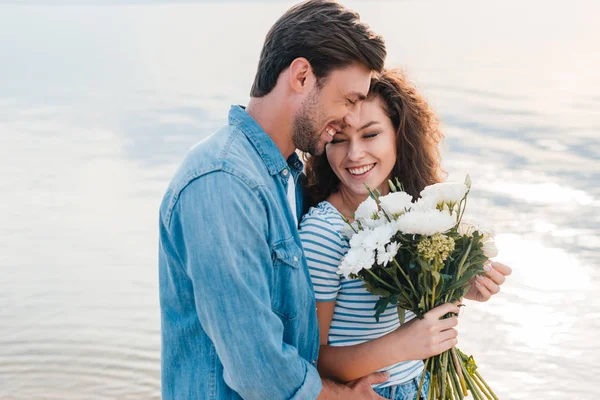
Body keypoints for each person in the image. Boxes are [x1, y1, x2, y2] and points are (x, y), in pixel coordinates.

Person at [158, 1, 390, 399]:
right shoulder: (223, 183)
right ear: (301, 76)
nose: (351, 120)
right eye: (349, 100)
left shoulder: (283, 177)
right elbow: (257, 367)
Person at [299, 69, 513, 400]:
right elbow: (312, 360)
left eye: (370, 135)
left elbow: (422, 316)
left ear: (399, 136)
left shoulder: (416, 212)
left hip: (422, 384)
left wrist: (458, 282)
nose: (354, 154)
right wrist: (402, 345)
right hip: (369, 393)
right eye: (339, 140)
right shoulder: (324, 233)